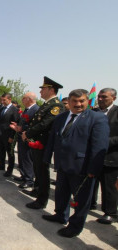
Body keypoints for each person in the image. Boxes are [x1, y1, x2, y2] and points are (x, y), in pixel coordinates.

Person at [42, 89, 109, 238]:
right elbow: (53, 138)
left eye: (82, 101)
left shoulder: (97, 118)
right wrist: (47, 158)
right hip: (62, 164)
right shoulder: (61, 117)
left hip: (83, 168)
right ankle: (60, 215)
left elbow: (100, 146)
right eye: (74, 101)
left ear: (87, 101)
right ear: (69, 102)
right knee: (61, 193)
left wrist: (94, 169)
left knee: (81, 200)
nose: (78, 104)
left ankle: (75, 226)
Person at [22, 76, 64, 209]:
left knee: (42, 171)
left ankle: (42, 200)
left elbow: (45, 124)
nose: (40, 92)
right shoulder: (47, 104)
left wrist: (27, 133)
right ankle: (37, 190)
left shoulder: (56, 105)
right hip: (36, 141)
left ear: (51, 90)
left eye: (43, 89)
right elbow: (36, 122)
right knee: (37, 169)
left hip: (43, 143)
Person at [91, 88, 118, 224]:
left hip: (110, 156)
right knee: (91, 181)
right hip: (93, 156)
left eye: (104, 97)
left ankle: (110, 212)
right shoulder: (93, 112)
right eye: (99, 97)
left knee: (108, 186)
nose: (100, 99)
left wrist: (104, 142)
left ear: (113, 98)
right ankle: (91, 203)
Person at [10, 92, 40, 188]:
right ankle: (23, 175)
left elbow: (34, 125)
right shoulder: (27, 109)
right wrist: (17, 126)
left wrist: (22, 129)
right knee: (22, 158)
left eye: (24, 98)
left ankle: (29, 180)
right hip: (21, 137)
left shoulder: (36, 110)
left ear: (30, 99)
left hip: (28, 138)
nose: (22, 100)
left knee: (27, 159)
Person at [0, 93, 20, 177]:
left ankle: (10, 169)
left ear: (9, 99)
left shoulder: (14, 109)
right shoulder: (2, 108)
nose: (2, 101)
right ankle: (1, 165)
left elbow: (15, 124)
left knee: (10, 153)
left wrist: (12, 136)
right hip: (1, 134)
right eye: (2, 100)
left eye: (4, 100)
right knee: (1, 151)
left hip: (8, 135)